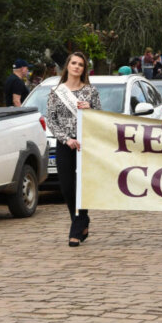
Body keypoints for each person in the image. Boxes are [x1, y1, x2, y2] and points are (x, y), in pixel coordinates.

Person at [46, 52, 101, 247]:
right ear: (67, 66)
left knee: (82, 186)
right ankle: (81, 220)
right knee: (68, 186)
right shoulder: (56, 91)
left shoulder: (91, 91)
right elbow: (50, 120)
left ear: (84, 69)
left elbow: (99, 118)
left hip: (86, 145)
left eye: (81, 64)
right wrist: (66, 139)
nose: (77, 67)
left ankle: (76, 228)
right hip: (65, 144)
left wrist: (91, 110)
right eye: (74, 63)